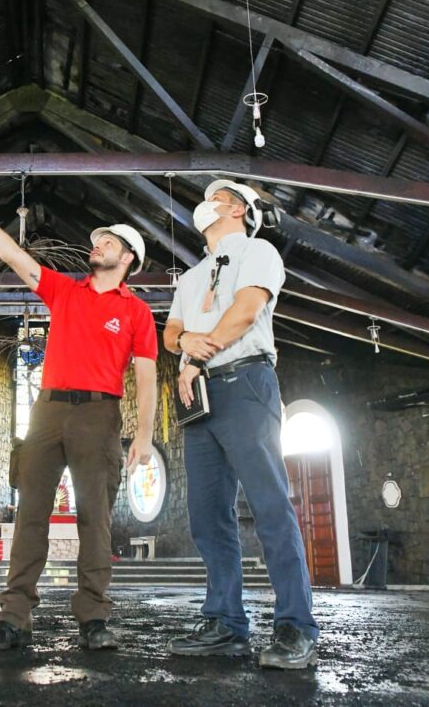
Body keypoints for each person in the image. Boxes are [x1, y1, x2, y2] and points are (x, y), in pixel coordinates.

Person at [0, 170, 158, 651]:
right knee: (31, 513)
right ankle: (14, 618)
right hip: (45, 411)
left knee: (95, 519)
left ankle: (94, 620)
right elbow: (11, 254)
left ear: (127, 258)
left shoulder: (137, 312)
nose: (96, 244)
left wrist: (143, 436)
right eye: (97, 239)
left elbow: (145, 377)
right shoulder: (65, 290)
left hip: (99, 416)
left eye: (107, 242)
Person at [163, 179, 318, 669]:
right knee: (208, 514)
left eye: (216, 198)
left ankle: (295, 626)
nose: (205, 204)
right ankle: (225, 623)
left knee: (271, 505)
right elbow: (170, 333)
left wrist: (198, 348)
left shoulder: (259, 251)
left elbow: (246, 310)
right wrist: (187, 348)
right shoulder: (189, 278)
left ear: (234, 209)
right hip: (200, 396)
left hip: (246, 383)